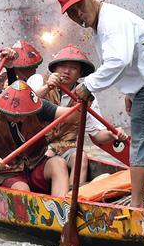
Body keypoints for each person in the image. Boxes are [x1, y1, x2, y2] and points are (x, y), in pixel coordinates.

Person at [58, 0, 144, 208]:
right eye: (71, 12)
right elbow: (129, 58)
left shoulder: (110, 21)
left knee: (141, 147)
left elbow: (119, 60)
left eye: (80, 6)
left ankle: (136, 208)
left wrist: (88, 85)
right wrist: (132, 91)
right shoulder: (103, 23)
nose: (78, 14)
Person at [39, 44, 129, 184]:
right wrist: (47, 88)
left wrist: (112, 133)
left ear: (80, 73)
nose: (67, 71)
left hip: (65, 147)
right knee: (48, 158)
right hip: (36, 148)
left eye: (73, 68)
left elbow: (97, 135)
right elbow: (24, 103)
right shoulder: (39, 81)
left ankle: (75, 193)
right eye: (63, 66)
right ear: (55, 68)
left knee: (80, 157)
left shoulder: (86, 96)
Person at [0, 80, 75, 195]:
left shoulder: (36, 106)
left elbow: (72, 116)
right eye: (14, 115)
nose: (21, 118)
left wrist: (84, 95)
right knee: (21, 188)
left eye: (24, 114)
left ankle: (61, 204)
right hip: (7, 172)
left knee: (58, 164)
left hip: (35, 163)